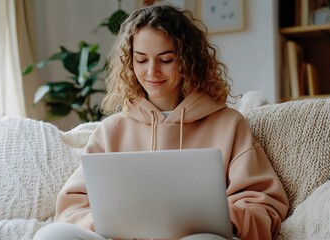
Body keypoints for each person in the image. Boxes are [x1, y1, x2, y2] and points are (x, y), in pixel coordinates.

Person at [34, 4, 289, 240]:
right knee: (50, 236)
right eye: (141, 59)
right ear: (129, 62)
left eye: (166, 59)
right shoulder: (110, 130)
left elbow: (263, 204)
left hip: (194, 238)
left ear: (188, 61)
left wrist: (221, 219)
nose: (151, 72)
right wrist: (110, 224)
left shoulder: (229, 124)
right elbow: (72, 206)